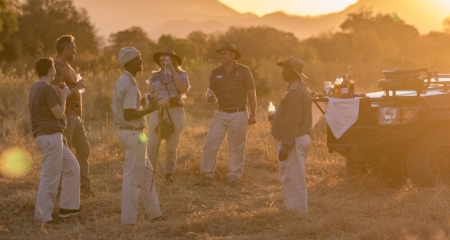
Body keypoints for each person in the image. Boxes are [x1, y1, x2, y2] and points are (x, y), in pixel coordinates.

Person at [112, 47, 162, 225]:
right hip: (134, 134)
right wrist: (151, 109)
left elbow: (130, 106)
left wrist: (144, 102)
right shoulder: (130, 84)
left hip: (130, 134)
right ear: (129, 62)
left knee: (148, 174)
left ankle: (155, 213)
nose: (141, 61)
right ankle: (128, 221)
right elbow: (129, 114)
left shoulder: (123, 80)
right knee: (133, 179)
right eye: (138, 59)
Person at [29, 58, 81, 223]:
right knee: (50, 177)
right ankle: (42, 216)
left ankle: (68, 208)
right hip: (50, 137)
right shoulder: (46, 89)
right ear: (51, 70)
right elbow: (58, 114)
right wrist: (64, 95)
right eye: (53, 68)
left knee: (72, 167)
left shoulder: (35, 87)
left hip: (50, 136)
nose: (54, 71)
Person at [199, 42, 257, 185]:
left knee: (237, 146)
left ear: (233, 56)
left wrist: (253, 114)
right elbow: (210, 96)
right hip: (220, 113)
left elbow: (251, 93)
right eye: (220, 53)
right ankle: (207, 175)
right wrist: (210, 98)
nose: (221, 56)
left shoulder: (244, 71)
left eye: (225, 53)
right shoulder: (215, 73)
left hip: (239, 113)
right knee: (211, 143)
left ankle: (234, 177)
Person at [52, 35, 93, 196]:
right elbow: (57, 97)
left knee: (84, 150)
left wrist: (77, 86)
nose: (75, 51)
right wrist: (77, 87)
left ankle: (84, 187)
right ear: (66, 49)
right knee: (65, 154)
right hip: (66, 116)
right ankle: (62, 190)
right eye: (73, 48)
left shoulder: (68, 67)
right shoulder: (55, 68)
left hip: (75, 116)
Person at [271, 56, 312, 215]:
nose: (282, 72)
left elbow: (293, 121)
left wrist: (286, 145)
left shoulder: (295, 91)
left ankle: (298, 215)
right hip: (296, 139)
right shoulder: (298, 88)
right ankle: (295, 211)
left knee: (293, 179)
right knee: (292, 177)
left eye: (285, 69)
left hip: (293, 141)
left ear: (292, 72)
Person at [146, 48, 190, 183]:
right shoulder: (155, 76)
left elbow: (182, 89)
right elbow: (148, 96)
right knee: (153, 143)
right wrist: (158, 101)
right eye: (161, 60)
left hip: (175, 111)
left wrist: (173, 71)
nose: (163, 62)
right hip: (158, 111)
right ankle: (149, 172)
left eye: (166, 59)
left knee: (171, 145)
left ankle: (169, 173)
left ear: (173, 60)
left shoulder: (182, 74)